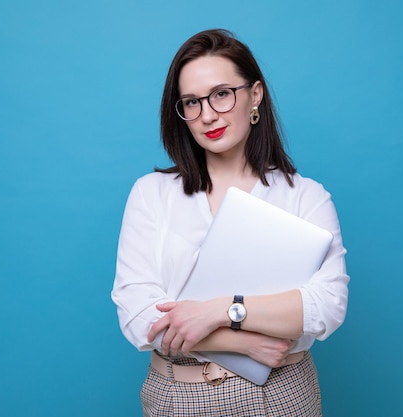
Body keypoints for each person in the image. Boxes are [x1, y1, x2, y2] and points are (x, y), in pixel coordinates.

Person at [111, 28, 349, 416]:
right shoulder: (151, 193)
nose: (207, 115)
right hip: (177, 396)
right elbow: (139, 317)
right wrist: (244, 343)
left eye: (221, 94)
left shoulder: (306, 196)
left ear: (255, 95)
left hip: (281, 396)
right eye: (191, 102)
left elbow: (327, 306)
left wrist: (218, 311)